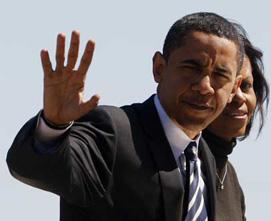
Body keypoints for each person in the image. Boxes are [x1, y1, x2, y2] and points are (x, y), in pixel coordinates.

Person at [7, 12, 244, 221]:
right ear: (159, 68)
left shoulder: (219, 172)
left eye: (220, 75)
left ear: (234, 87)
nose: (204, 86)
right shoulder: (113, 132)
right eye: (192, 68)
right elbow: (32, 166)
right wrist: (53, 125)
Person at [202, 24, 270, 221]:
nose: (239, 96)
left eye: (246, 86)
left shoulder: (230, 178)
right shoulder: (177, 159)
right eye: (229, 86)